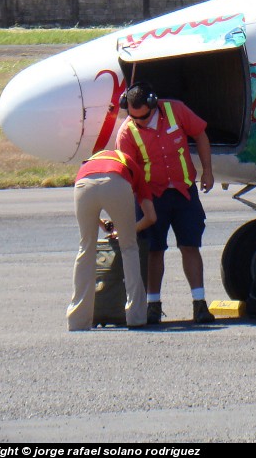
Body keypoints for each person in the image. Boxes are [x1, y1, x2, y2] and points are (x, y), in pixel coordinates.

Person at [115, 82, 216, 325]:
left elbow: (200, 134)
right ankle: (153, 305)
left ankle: (199, 304)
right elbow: (128, 172)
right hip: (151, 197)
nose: (139, 121)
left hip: (183, 191)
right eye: (133, 117)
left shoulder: (175, 110)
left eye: (144, 116)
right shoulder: (127, 133)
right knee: (153, 250)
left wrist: (208, 171)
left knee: (190, 246)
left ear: (153, 104)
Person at [66, 149, 157, 331]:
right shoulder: (132, 166)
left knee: (86, 248)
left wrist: (103, 225)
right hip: (116, 181)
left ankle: (77, 319)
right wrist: (126, 231)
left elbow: (92, 203)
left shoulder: (91, 159)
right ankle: (135, 315)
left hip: (83, 182)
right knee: (129, 248)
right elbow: (151, 217)